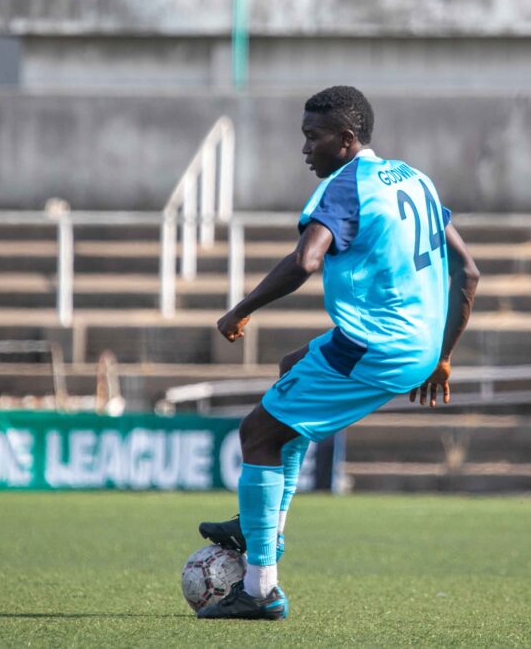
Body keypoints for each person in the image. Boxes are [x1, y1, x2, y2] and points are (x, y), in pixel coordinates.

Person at [196, 86, 479, 620]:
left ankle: (259, 588)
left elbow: (305, 261)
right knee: (292, 372)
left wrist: (241, 309)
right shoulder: (414, 179)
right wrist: (443, 357)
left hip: (373, 344)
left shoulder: (346, 187)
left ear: (346, 140)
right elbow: (470, 271)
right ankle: (264, 528)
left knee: (257, 433)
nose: (305, 149)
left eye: (313, 137)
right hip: (420, 344)